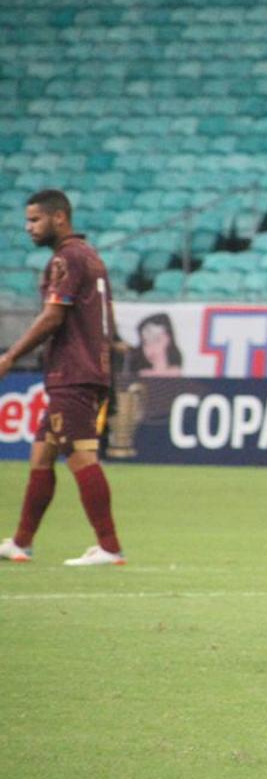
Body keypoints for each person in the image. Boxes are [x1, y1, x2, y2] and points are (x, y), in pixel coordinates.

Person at [0, 190, 126, 566]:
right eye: (27, 221)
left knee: (82, 457)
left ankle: (109, 546)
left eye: (35, 220)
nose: (28, 228)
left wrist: (10, 356)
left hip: (73, 373)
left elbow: (54, 316)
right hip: (83, 369)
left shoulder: (67, 258)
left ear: (59, 217)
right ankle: (21, 543)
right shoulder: (90, 256)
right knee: (42, 456)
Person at [126, 312, 183, 377]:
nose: (151, 348)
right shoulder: (141, 375)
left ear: (168, 338)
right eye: (146, 343)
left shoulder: (176, 373)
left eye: (156, 340)